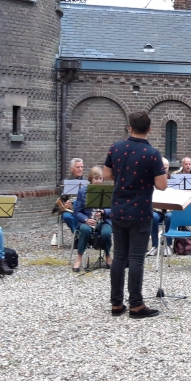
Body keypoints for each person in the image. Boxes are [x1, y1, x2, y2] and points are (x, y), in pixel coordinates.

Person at [104, 111, 168, 318]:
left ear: (129, 127)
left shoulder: (116, 147)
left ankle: (116, 304)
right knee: (136, 259)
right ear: (149, 129)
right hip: (140, 212)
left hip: (118, 210)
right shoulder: (152, 154)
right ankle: (136, 305)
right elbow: (162, 185)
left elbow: (106, 175)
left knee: (119, 257)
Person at [72, 166, 112, 271]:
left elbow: (113, 209)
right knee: (85, 230)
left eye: (100, 178)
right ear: (91, 179)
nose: (99, 181)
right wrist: (86, 220)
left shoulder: (107, 191)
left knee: (106, 233)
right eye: (96, 178)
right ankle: (79, 258)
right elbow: (77, 211)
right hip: (88, 220)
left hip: (103, 221)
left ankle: (108, 255)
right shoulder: (82, 191)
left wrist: (104, 212)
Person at [149, 158, 173, 257]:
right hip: (157, 209)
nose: (163, 169)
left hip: (170, 208)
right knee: (153, 217)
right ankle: (155, 245)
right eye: (161, 167)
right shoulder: (153, 180)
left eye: (165, 167)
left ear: (168, 168)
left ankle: (168, 245)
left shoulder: (174, 180)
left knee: (170, 217)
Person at [60, 158, 84, 233]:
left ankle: (81, 235)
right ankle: (77, 234)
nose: (80, 169)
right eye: (78, 167)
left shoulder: (87, 181)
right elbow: (61, 199)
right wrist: (65, 204)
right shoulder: (64, 182)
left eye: (81, 167)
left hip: (82, 209)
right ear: (71, 169)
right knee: (66, 217)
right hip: (70, 210)